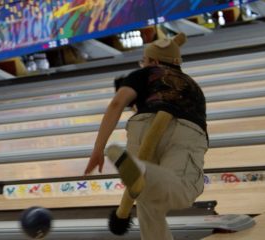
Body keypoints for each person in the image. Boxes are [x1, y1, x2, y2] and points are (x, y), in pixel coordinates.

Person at [84, 32, 209, 240]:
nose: (142, 64)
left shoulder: (143, 74)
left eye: (144, 60)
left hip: (141, 126)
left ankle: (142, 173)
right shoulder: (192, 85)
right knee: (182, 191)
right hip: (185, 129)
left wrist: (98, 149)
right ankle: (143, 173)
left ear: (154, 61)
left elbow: (117, 104)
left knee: (147, 198)